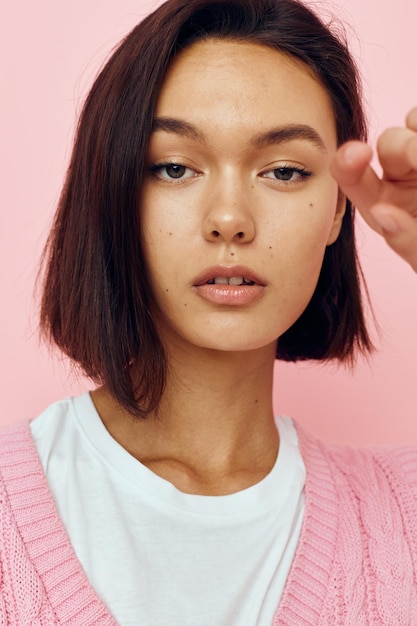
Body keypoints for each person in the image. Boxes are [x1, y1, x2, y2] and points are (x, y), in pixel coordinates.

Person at [1, 0, 416, 623]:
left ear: (337, 208)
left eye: (283, 170)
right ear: (114, 191)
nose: (229, 219)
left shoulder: (403, 513)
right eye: (174, 167)